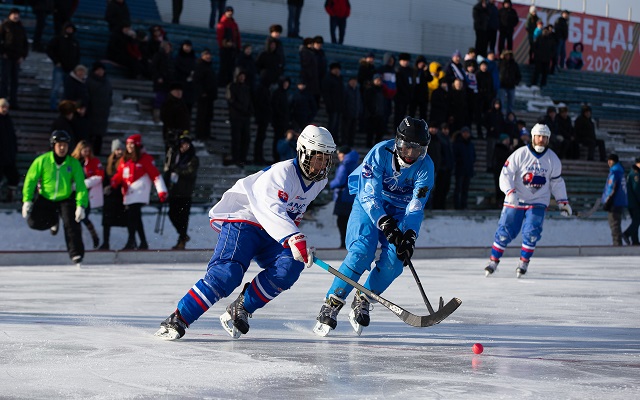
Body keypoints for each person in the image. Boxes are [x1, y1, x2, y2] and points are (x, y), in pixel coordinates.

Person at [155, 125, 336, 340]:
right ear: (304, 153)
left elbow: (292, 214)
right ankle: (178, 318)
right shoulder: (282, 172)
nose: (323, 164)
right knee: (227, 274)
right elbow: (271, 208)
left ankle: (241, 307)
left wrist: (296, 242)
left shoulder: (319, 182)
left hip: (271, 231)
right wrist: (294, 237)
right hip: (244, 221)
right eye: (318, 158)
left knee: (290, 266)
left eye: (326, 159)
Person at [313, 117, 433, 336]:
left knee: (396, 261)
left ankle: (364, 297)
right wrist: (385, 222)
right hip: (370, 204)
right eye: (406, 147)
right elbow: (369, 195)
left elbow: (416, 205)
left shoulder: (426, 168)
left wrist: (409, 235)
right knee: (362, 250)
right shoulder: (379, 153)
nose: (410, 155)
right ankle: (333, 301)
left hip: (400, 210)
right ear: (398, 142)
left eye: (417, 150)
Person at [484, 124, 572, 278]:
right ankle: (493, 261)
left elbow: (557, 183)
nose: (541, 140)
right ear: (533, 137)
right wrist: (510, 192)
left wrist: (562, 202)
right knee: (504, 233)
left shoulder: (553, 159)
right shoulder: (520, 154)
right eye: (539, 136)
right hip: (516, 199)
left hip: (538, 201)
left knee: (532, 232)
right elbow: (505, 174)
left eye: (544, 137)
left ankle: (523, 263)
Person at [22, 130, 89, 265]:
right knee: (33, 222)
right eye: (59, 145)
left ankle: (76, 254)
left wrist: (81, 205)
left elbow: (81, 186)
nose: (62, 148)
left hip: (66, 198)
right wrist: (27, 200)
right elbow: (30, 180)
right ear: (53, 145)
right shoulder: (42, 161)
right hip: (46, 197)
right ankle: (53, 221)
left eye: (65, 145)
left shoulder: (73, 163)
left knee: (71, 224)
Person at [109, 134, 168, 250]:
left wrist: (162, 191)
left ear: (137, 145)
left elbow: (155, 175)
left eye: (132, 144)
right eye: (128, 144)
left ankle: (131, 241)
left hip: (140, 192)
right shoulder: (124, 159)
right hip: (128, 192)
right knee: (136, 218)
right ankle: (143, 242)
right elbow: (119, 174)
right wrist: (113, 182)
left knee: (132, 216)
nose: (129, 146)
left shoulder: (145, 159)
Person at [164, 135, 199, 250]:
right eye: (183, 144)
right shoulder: (176, 156)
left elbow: (190, 172)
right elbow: (168, 168)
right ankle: (183, 235)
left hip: (185, 192)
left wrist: (176, 170)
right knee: (172, 214)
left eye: (187, 144)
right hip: (174, 191)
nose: (184, 147)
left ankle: (182, 239)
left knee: (183, 217)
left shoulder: (192, 158)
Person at [70, 140, 104, 249]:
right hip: (72, 194)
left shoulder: (93, 161)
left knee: (83, 217)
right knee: (73, 219)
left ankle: (94, 236)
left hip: (86, 194)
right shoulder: (72, 161)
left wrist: (83, 184)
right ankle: (77, 241)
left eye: (88, 151)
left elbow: (99, 176)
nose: (86, 153)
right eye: (84, 151)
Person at [99, 139, 127, 250]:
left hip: (119, 194)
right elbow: (106, 176)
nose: (119, 152)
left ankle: (132, 240)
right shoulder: (109, 161)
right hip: (109, 195)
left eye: (121, 149)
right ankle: (106, 242)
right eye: (117, 149)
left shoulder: (125, 161)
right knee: (106, 221)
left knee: (127, 219)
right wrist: (105, 187)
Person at [46, 21, 80, 111]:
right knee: (56, 88)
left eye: (71, 29)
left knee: (67, 90)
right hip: (59, 68)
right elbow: (49, 49)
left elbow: (77, 55)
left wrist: (75, 65)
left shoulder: (75, 42)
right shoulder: (58, 39)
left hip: (70, 68)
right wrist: (56, 61)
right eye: (68, 28)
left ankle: (65, 107)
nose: (69, 30)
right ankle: (53, 106)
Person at [330, 146, 359, 249]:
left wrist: (330, 185)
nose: (339, 156)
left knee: (341, 221)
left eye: (340, 154)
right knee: (349, 221)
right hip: (353, 197)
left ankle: (344, 243)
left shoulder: (344, 165)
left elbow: (340, 181)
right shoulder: (355, 163)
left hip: (343, 197)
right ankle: (350, 242)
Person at [0, 8, 29, 110]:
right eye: (14, 14)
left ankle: (13, 101)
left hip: (17, 58)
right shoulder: (5, 25)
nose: (16, 16)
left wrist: (23, 56)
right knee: (5, 79)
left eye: (17, 14)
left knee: (14, 81)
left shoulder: (21, 27)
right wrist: (3, 53)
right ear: (10, 15)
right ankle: (3, 101)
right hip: (7, 57)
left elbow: (25, 43)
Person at [86, 61, 113, 156]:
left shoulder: (107, 82)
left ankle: (97, 154)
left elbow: (110, 96)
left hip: (103, 114)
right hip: (91, 113)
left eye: (102, 70)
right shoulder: (89, 81)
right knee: (89, 136)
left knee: (99, 137)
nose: (101, 72)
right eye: (99, 70)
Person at [602, 153, 628, 246]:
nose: (608, 162)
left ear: (615, 161)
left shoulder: (615, 172)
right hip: (619, 202)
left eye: (611, 160)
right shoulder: (620, 171)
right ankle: (617, 244)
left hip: (614, 203)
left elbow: (612, 188)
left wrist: (607, 201)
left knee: (614, 225)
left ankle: (617, 245)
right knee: (616, 224)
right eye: (608, 160)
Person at [193, 49, 218, 141]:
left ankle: (206, 134)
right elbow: (197, 81)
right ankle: (199, 134)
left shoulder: (210, 67)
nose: (208, 56)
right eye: (206, 55)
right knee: (201, 116)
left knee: (208, 116)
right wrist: (201, 92)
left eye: (209, 54)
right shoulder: (200, 66)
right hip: (203, 96)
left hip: (210, 96)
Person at [216, 6, 241, 87]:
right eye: (228, 11)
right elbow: (219, 37)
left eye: (231, 11)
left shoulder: (234, 24)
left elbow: (238, 37)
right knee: (224, 67)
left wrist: (238, 47)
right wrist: (223, 45)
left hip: (233, 49)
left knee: (231, 68)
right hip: (224, 49)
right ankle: (221, 84)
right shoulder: (222, 23)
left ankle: (229, 84)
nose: (230, 12)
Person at [452, 126, 476, 210]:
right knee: (458, 188)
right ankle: (457, 206)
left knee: (465, 189)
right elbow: (454, 156)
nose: (466, 134)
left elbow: (473, 156)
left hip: (468, 170)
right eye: (464, 133)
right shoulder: (457, 143)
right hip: (460, 169)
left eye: (467, 133)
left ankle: (464, 205)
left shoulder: (471, 144)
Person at [0, 98, 18, 202]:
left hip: (8, 156)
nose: (5, 109)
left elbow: (11, 138)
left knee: (14, 177)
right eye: (2, 107)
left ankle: (10, 196)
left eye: (6, 107)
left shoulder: (8, 120)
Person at [623, 156, 640, 246]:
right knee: (637, 220)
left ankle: (635, 241)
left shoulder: (632, 172)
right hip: (634, 202)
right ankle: (626, 234)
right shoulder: (636, 174)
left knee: (635, 221)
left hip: (631, 202)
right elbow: (637, 189)